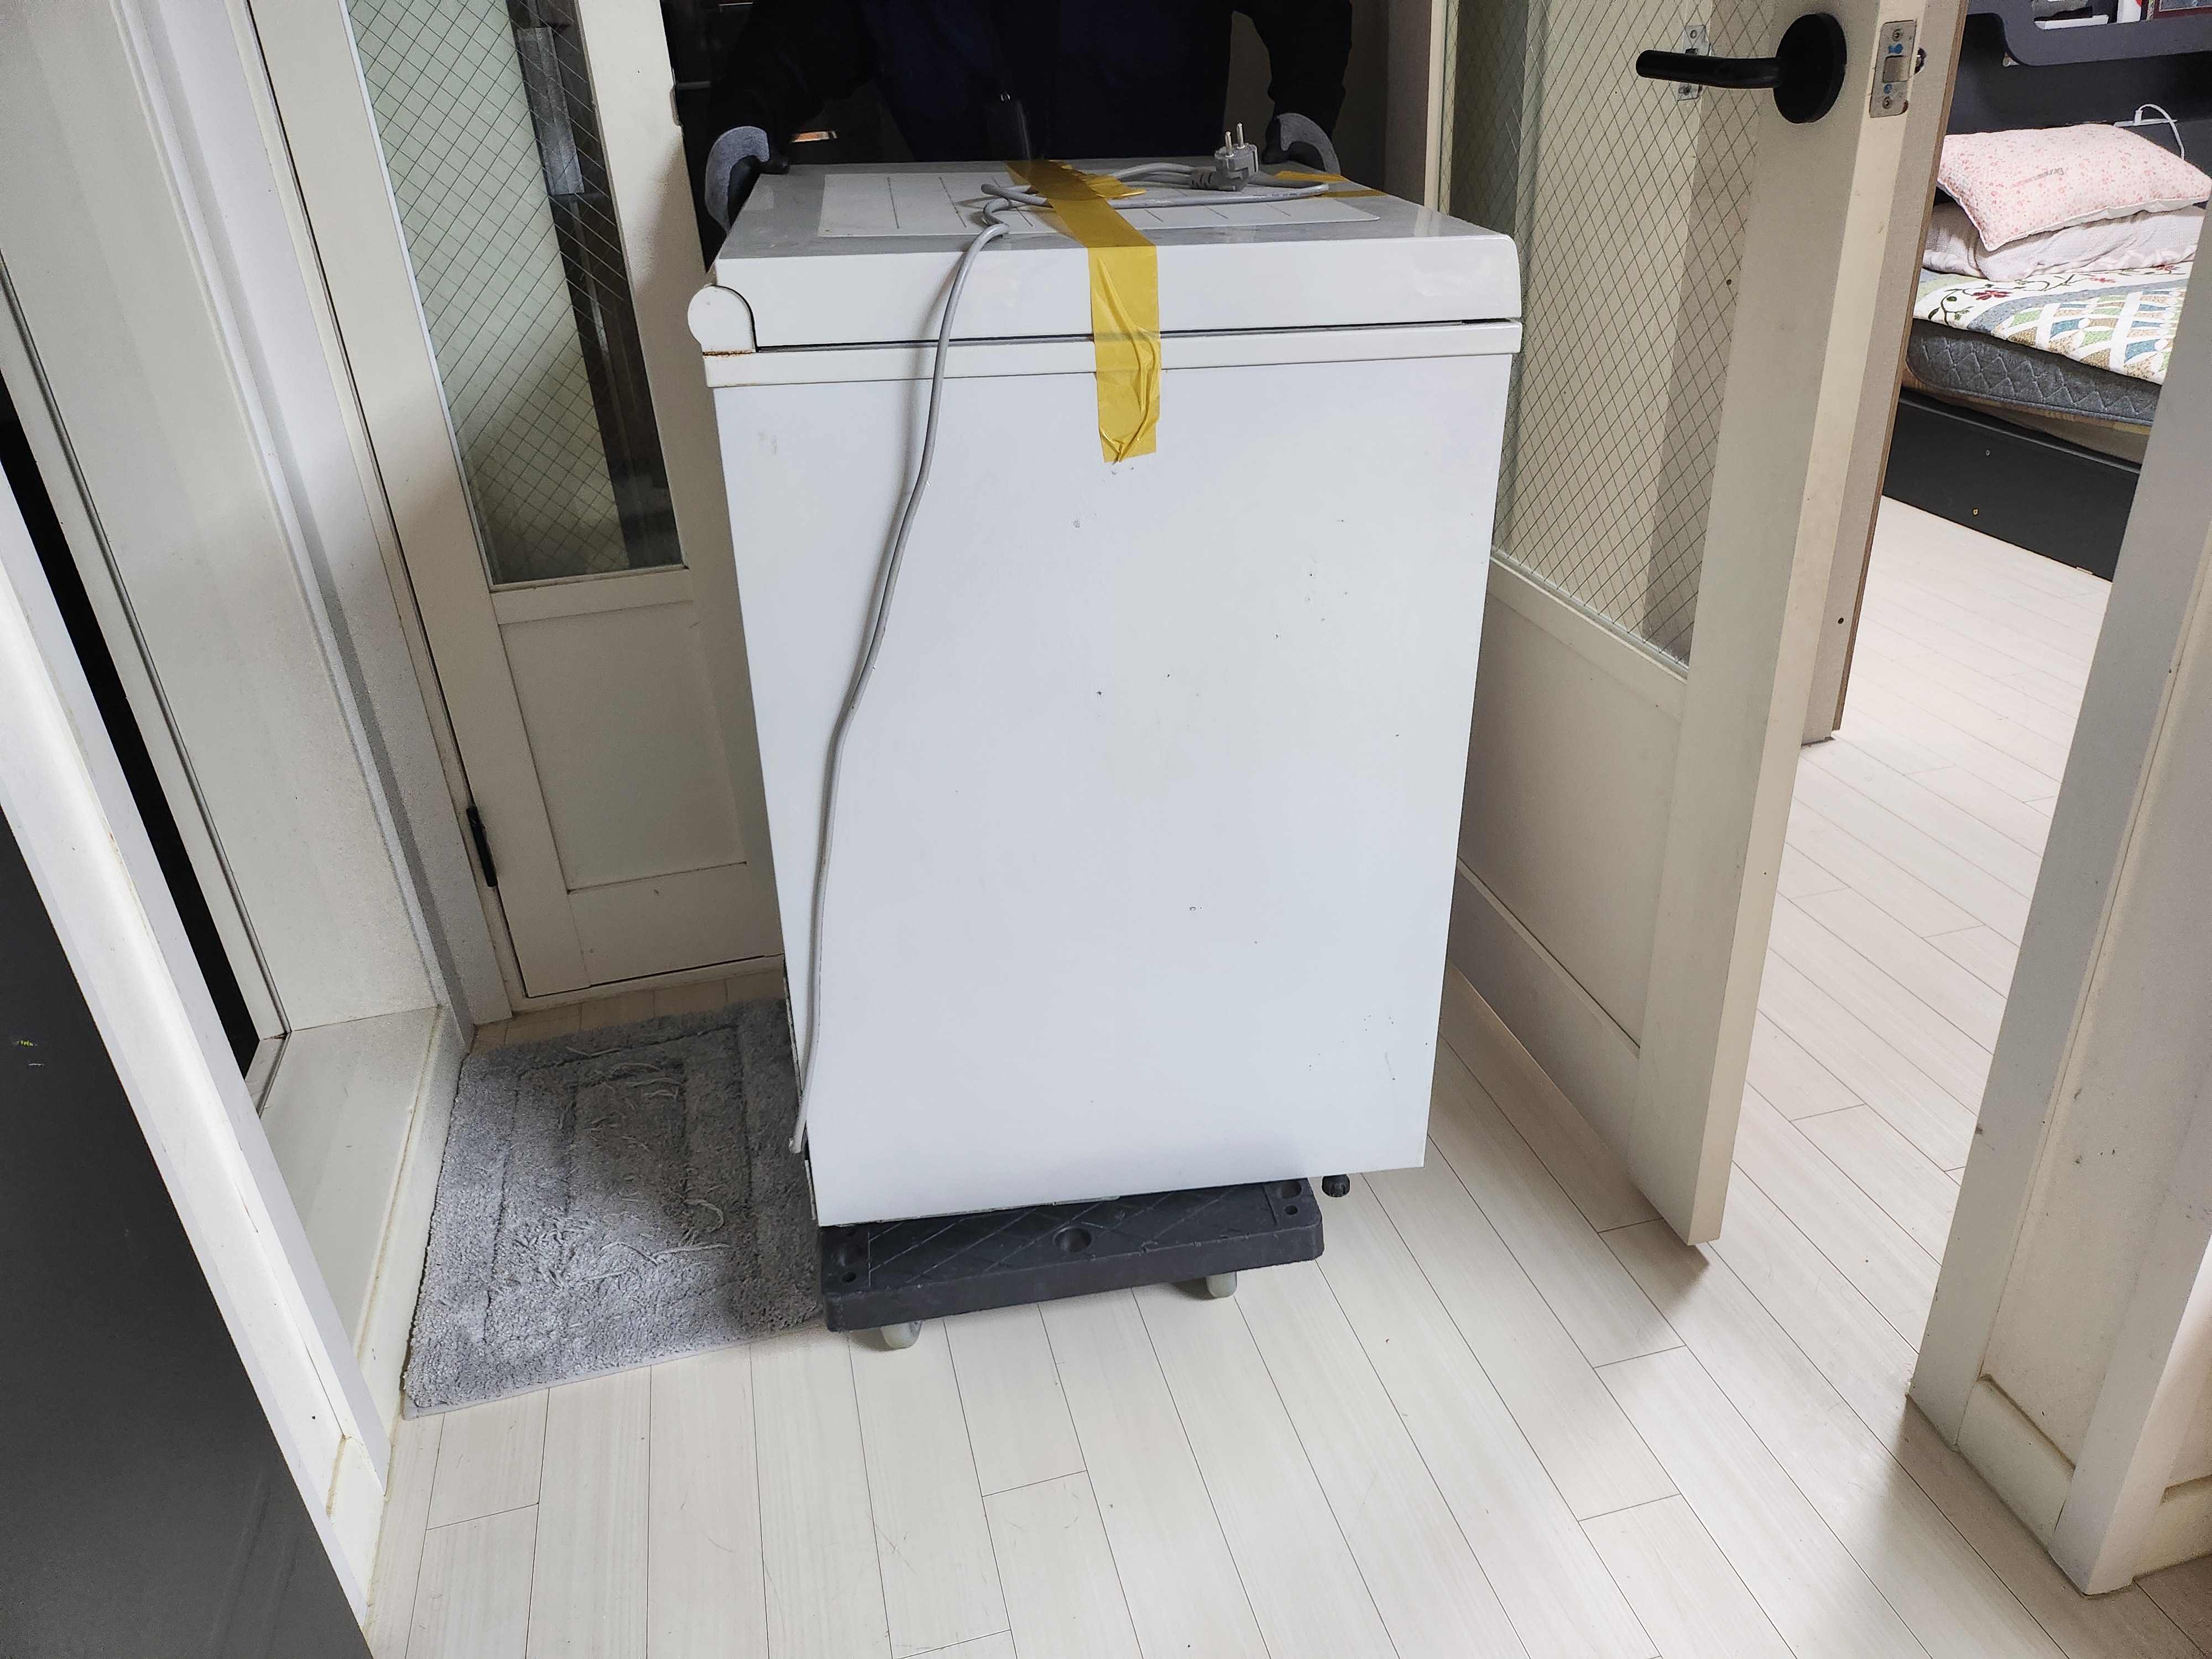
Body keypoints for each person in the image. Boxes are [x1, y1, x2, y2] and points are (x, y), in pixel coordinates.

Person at [701, 0, 1353, 227]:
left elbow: (1309, 15)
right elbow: (784, 53)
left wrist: (1305, 115)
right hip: (967, 246)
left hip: (1168, 226)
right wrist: (737, 135)